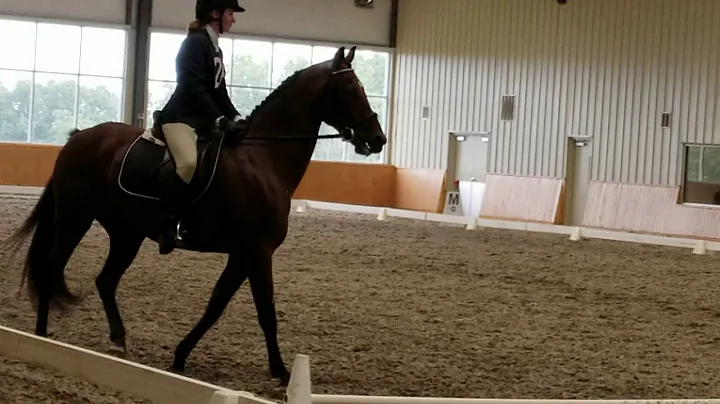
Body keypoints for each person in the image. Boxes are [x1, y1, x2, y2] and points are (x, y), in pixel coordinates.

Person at [154, 0, 247, 254]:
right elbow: (191, 87)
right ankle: (169, 224)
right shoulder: (194, 43)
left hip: (202, 120)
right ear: (216, 14)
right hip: (180, 118)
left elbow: (220, 92)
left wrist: (236, 117)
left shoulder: (215, 48)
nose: (233, 19)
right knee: (188, 164)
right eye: (230, 13)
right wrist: (218, 119)